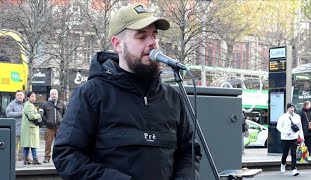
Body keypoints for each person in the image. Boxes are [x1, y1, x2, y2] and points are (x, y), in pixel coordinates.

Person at [53, 3, 201, 180]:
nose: (152, 43)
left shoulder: (173, 98)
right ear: (117, 44)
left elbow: (189, 153)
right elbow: (66, 155)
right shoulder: (91, 94)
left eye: (154, 35)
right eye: (141, 36)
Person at [277, 103, 304, 176]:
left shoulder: (297, 116)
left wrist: (302, 137)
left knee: (293, 153)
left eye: (293, 107)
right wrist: (285, 132)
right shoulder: (283, 117)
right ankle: (283, 164)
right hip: (285, 138)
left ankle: (294, 169)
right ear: (287, 109)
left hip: (294, 137)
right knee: (285, 153)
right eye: (290, 108)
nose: (292, 109)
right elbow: (278, 127)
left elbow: (300, 127)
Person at [40, 89, 66, 163]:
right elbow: (42, 115)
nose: (54, 95)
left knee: (60, 144)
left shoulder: (62, 104)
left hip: (59, 128)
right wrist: (47, 121)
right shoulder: (45, 104)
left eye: (55, 94)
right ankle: (47, 157)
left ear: (57, 95)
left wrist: (62, 121)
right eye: (52, 94)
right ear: (50, 95)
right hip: (49, 127)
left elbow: (66, 113)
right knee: (48, 143)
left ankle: (60, 158)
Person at [21, 91, 42, 165]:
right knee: (33, 145)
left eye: (35, 96)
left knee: (27, 145)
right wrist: (39, 115)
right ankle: (34, 159)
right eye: (32, 96)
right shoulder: (29, 105)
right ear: (28, 97)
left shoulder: (28, 104)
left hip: (28, 128)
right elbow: (31, 116)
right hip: (30, 128)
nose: (34, 98)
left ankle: (26, 159)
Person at [6, 90, 25, 161]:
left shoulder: (26, 104)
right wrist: (21, 113)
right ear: (15, 96)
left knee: (23, 146)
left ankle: (22, 159)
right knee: (14, 146)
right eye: (18, 95)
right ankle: (13, 160)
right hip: (15, 129)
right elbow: (8, 114)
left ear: (23, 96)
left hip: (24, 129)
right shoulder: (11, 104)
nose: (19, 96)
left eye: (21, 95)